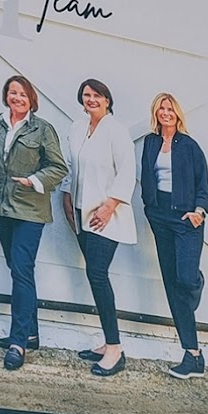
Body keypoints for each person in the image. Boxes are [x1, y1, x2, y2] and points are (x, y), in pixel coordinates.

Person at [0, 75, 68, 370]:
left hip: (29, 211)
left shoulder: (42, 129)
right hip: (2, 208)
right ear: (6, 95)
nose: (17, 98)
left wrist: (34, 180)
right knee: (17, 270)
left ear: (31, 100)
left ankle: (17, 343)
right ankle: (31, 332)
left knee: (22, 271)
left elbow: (58, 167)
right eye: (12, 93)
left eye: (22, 94)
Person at [62, 77, 137, 377]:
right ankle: (108, 342)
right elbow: (71, 166)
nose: (90, 99)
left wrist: (109, 207)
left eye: (96, 95)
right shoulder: (78, 128)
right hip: (81, 212)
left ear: (107, 99)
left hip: (106, 216)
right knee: (94, 276)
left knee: (97, 274)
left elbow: (127, 173)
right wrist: (67, 198)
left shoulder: (116, 131)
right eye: (85, 95)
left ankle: (115, 349)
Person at [141, 92, 208, 378]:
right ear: (156, 113)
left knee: (185, 279)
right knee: (172, 284)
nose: (165, 113)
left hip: (186, 219)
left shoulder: (190, 146)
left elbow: (203, 183)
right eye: (161, 108)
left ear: (177, 113)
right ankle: (192, 354)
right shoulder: (150, 142)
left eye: (170, 109)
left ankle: (197, 282)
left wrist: (199, 211)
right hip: (160, 216)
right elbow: (148, 175)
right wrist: (149, 207)